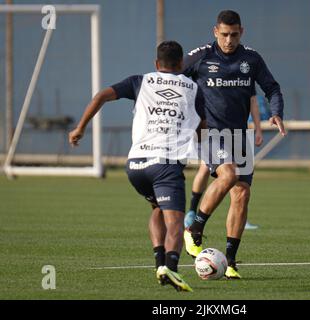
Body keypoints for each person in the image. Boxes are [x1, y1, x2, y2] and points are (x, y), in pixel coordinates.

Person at [69, 41, 207, 292]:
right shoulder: (193, 88)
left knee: (157, 207)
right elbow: (201, 128)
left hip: (135, 165)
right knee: (175, 221)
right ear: (181, 65)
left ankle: (159, 264)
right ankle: (173, 268)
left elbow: (101, 96)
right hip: (165, 164)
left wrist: (80, 128)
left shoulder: (139, 81)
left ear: (156, 64)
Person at [182, 10, 286, 279]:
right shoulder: (201, 56)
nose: (229, 40)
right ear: (215, 31)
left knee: (241, 195)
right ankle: (195, 228)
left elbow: (272, 87)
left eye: (234, 35)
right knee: (228, 175)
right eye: (224, 34)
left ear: (242, 32)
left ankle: (230, 262)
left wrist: (276, 112)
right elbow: (175, 77)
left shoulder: (251, 59)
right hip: (211, 133)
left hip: (239, 135)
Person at [184, 95, 264, 230]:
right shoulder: (204, 77)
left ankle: (238, 216)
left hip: (234, 131)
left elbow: (252, 100)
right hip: (211, 130)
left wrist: (258, 127)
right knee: (210, 168)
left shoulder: (243, 78)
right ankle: (192, 213)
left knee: (232, 172)